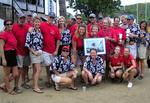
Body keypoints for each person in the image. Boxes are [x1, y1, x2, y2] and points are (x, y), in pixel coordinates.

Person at [40, 12, 61, 87]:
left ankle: (51, 80)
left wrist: (56, 50)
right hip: (44, 50)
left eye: (52, 17)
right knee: (48, 65)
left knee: (52, 66)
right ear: (47, 17)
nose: (51, 19)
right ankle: (49, 79)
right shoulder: (42, 25)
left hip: (53, 51)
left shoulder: (55, 27)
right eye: (50, 17)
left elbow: (58, 40)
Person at [12, 13, 31, 91]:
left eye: (23, 18)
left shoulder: (28, 26)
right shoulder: (13, 27)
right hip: (18, 52)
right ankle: (16, 86)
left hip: (26, 51)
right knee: (19, 70)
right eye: (21, 18)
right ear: (18, 18)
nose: (22, 20)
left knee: (25, 68)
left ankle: (23, 83)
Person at [0, 20, 19, 95]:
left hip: (13, 54)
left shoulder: (11, 33)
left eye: (11, 24)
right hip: (7, 54)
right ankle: (9, 89)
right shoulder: (3, 34)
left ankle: (4, 85)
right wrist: (3, 58)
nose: (9, 25)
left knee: (16, 74)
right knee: (7, 74)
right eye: (7, 24)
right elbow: (1, 47)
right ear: (5, 25)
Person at [25, 16, 44, 93]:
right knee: (39, 69)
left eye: (38, 22)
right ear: (33, 22)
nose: (37, 23)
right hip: (34, 53)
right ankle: (36, 87)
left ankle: (35, 85)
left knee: (35, 70)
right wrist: (34, 52)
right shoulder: (31, 31)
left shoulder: (39, 30)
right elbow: (27, 43)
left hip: (39, 52)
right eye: (35, 22)